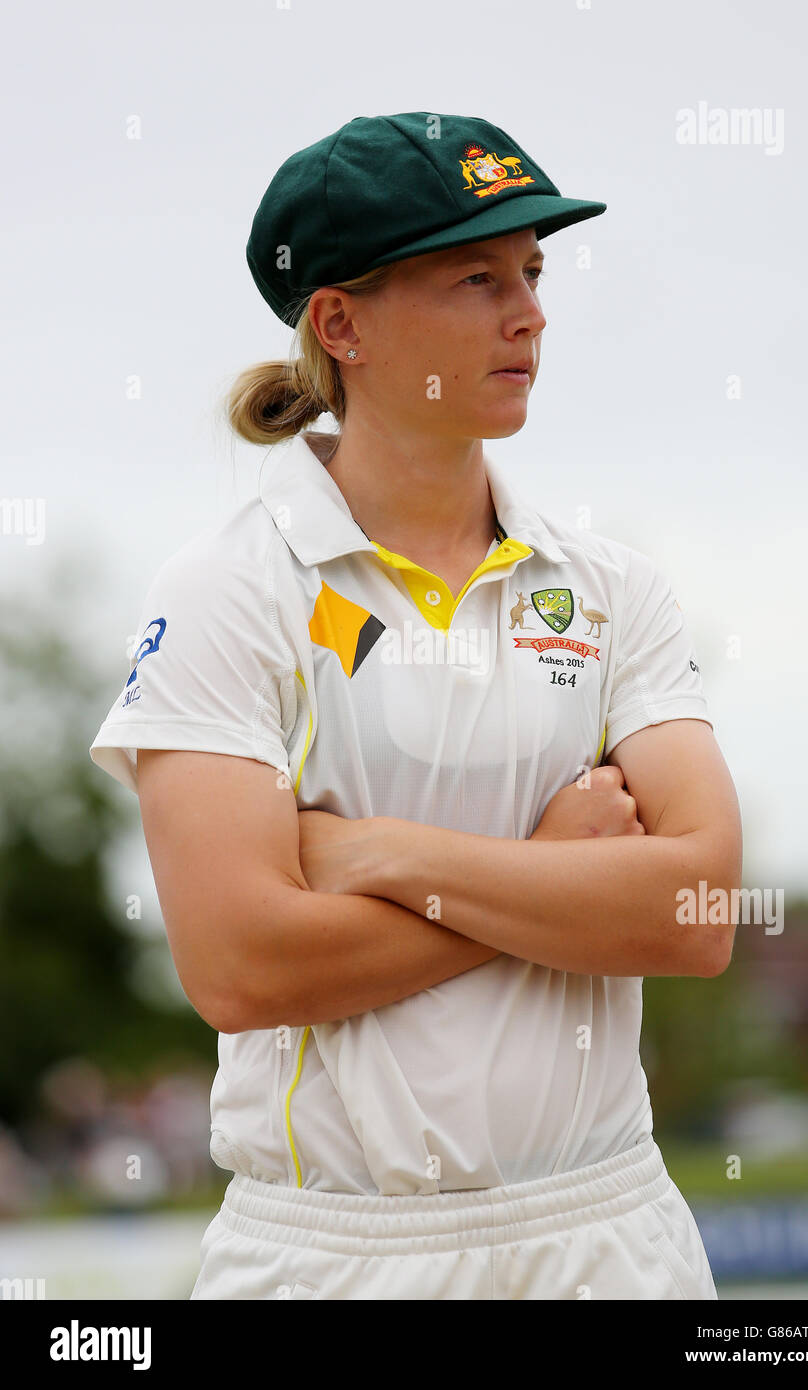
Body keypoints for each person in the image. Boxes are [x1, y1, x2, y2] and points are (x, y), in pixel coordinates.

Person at [89, 111, 742, 1300]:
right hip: (334, 1256)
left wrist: (380, 856)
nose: (530, 312)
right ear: (341, 322)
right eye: (476, 276)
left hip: (613, 1234)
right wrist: (551, 875)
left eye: (534, 272)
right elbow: (243, 968)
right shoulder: (226, 591)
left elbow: (697, 912)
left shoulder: (610, 588)